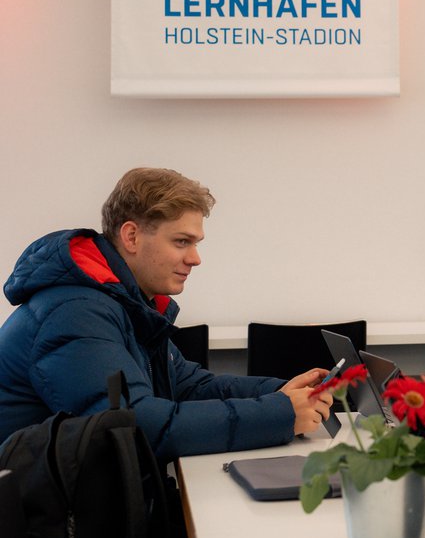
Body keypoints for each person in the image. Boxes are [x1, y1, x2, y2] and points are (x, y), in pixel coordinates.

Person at [0, 167, 333, 460]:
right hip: (49, 523)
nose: (195, 258)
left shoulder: (126, 304)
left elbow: (187, 386)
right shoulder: (74, 312)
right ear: (131, 236)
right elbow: (133, 427)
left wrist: (280, 393)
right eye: (181, 242)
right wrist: (279, 414)